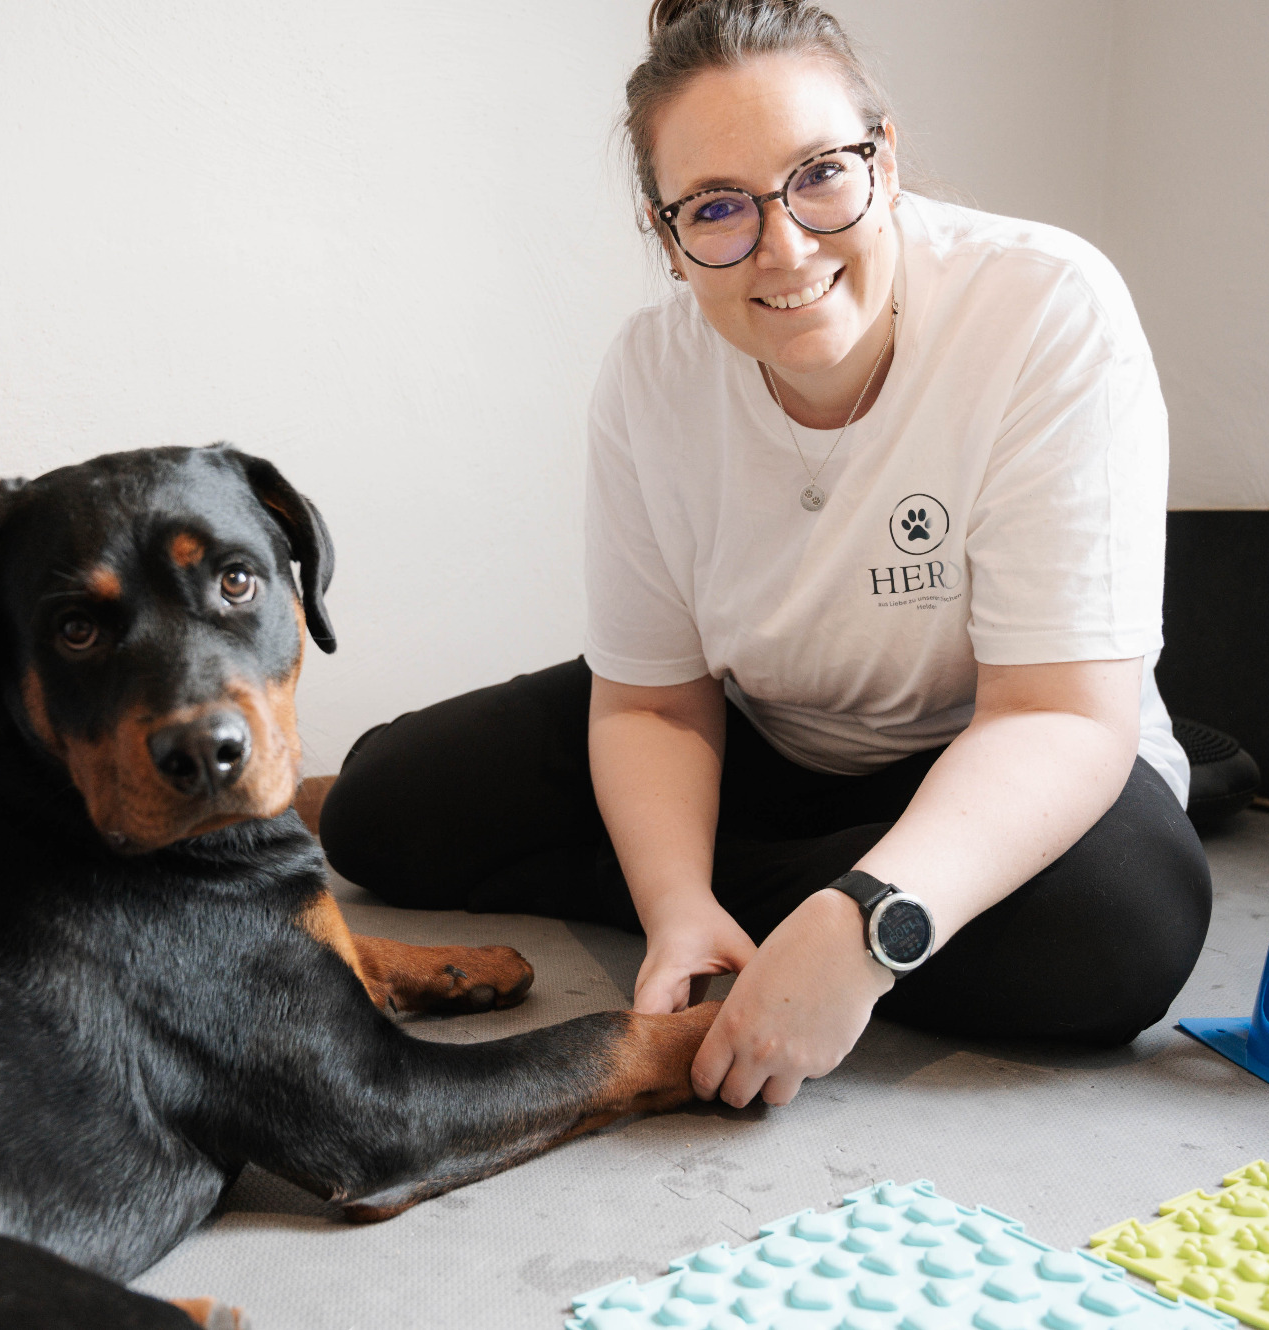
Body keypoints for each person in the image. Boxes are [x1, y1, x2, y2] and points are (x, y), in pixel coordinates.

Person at [318, 0, 1210, 1110]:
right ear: (666, 233)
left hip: (990, 748)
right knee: (376, 811)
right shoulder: (648, 375)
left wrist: (866, 926)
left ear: (882, 160)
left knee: (1118, 927)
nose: (783, 247)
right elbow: (652, 703)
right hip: (762, 733)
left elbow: (1059, 716)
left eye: (820, 174)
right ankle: (741, 909)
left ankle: (818, 909)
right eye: (718, 208)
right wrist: (674, 898)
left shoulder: (1042, 304)